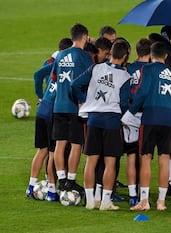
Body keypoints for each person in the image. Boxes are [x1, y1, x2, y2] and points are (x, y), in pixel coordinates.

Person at [71, 39, 131, 210]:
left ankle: (90, 201)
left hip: (93, 120)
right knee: (110, 162)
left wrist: (84, 102)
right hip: (111, 121)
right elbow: (126, 103)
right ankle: (105, 201)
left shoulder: (96, 68)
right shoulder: (125, 76)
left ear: (111, 53)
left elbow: (75, 84)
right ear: (125, 56)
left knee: (91, 161)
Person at [128, 42, 171, 211]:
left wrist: (131, 112)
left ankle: (144, 201)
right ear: (165, 56)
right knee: (164, 159)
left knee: (145, 158)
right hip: (167, 119)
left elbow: (142, 92)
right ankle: (161, 201)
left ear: (151, 55)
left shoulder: (147, 69)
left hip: (150, 117)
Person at [26, 38, 73, 201]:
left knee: (42, 150)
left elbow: (38, 74)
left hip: (42, 110)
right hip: (54, 112)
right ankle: (52, 191)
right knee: (54, 152)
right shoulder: (69, 68)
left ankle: (31, 186)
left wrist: (40, 95)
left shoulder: (54, 64)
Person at [50, 23, 93, 195]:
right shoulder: (85, 56)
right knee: (76, 144)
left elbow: (53, 76)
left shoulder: (61, 55)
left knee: (60, 143)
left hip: (58, 105)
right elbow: (89, 81)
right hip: (75, 106)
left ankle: (61, 180)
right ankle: (71, 180)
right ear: (84, 37)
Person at [124, 38, 152, 206]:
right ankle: (143, 192)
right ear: (150, 53)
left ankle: (132, 194)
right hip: (146, 114)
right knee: (145, 156)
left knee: (131, 155)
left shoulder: (128, 67)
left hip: (130, 115)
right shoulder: (151, 70)